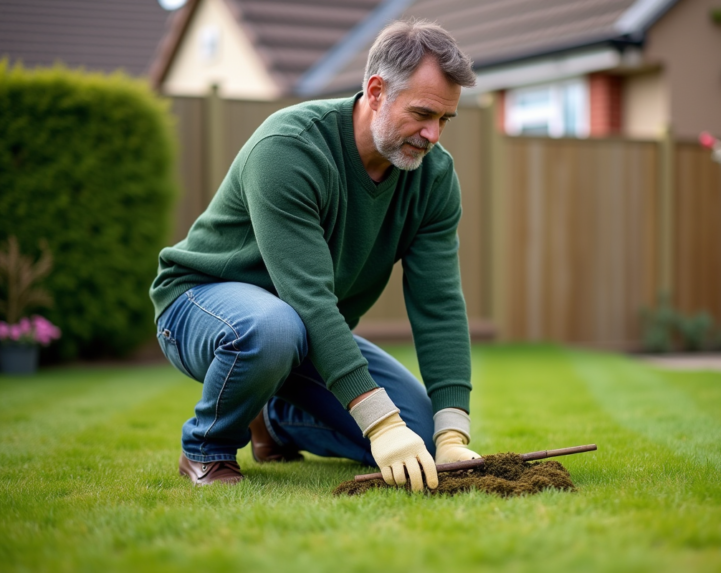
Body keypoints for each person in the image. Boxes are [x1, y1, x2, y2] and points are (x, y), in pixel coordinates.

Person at [149, 20, 480, 490]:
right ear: (376, 90)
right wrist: (381, 427)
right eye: (423, 113)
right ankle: (208, 447)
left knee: (420, 437)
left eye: (444, 120)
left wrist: (450, 433)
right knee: (272, 328)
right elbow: (308, 297)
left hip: (302, 333)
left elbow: (440, 303)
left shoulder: (434, 178)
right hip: (199, 306)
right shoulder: (290, 149)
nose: (433, 135)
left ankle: (276, 419)